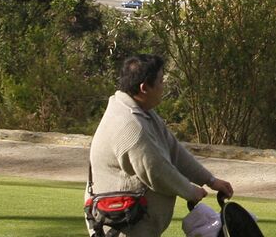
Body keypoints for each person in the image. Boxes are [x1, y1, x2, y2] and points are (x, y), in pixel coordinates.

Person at [86, 54, 233, 237]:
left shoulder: (141, 112)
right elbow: (156, 171)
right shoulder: (129, 125)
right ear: (144, 88)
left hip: (136, 221)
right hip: (122, 225)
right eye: (161, 81)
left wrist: (210, 180)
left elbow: (174, 150)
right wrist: (190, 191)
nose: (164, 87)